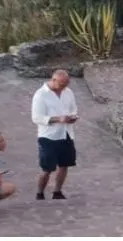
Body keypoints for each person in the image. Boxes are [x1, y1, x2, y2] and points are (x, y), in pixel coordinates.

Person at [30, 68, 79, 201]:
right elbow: (36, 118)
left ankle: (57, 191)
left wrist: (73, 116)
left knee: (65, 165)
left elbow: (73, 108)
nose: (64, 87)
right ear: (53, 80)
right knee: (47, 168)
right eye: (62, 84)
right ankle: (40, 193)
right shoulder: (40, 95)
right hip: (48, 137)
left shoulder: (68, 92)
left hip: (66, 134)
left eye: (66, 84)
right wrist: (58, 119)